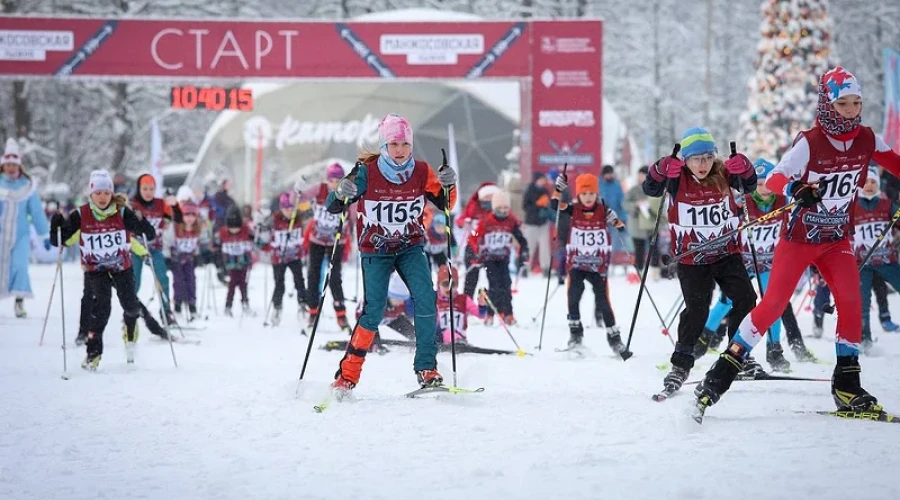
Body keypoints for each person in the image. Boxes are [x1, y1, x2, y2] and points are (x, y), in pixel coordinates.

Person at [694, 67, 900, 416]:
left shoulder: (867, 139)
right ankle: (720, 375)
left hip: (836, 239)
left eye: (856, 103)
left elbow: (895, 163)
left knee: (851, 302)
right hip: (800, 238)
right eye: (843, 104)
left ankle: (847, 386)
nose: (850, 111)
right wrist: (797, 188)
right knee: (773, 304)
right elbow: (774, 180)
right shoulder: (810, 142)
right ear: (827, 104)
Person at [326, 113, 457, 398]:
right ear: (384, 146)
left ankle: (427, 368)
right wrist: (340, 192)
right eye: (394, 144)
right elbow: (333, 206)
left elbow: (446, 203)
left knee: (426, 298)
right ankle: (347, 376)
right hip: (376, 250)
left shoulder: (421, 171)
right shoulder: (366, 172)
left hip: (410, 246)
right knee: (374, 310)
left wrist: (450, 184)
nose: (400, 150)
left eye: (405, 144)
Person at [642, 127, 759, 396]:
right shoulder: (677, 178)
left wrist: (747, 169)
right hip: (692, 258)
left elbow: (750, 185)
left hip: (726, 252)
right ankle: (681, 365)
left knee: (746, 298)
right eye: (696, 159)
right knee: (697, 310)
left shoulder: (724, 173)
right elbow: (651, 188)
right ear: (685, 159)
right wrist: (659, 169)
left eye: (707, 157)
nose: (702, 164)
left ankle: (737, 354)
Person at [694, 159, 816, 370]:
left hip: (769, 263)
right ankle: (701, 341)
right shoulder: (743, 202)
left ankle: (774, 350)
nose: (764, 188)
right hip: (743, 261)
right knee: (727, 301)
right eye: (759, 184)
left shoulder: (783, 201)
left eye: (767, 183)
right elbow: (723, 222)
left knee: (773, 304)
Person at [50, 170, 156, 370]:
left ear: (111, 193)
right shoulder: (81, 214)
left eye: (106, 193)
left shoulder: (121, 212)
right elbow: (59, 240)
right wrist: (55, 225)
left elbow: (148, 234)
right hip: (96, 269)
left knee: (131, 307)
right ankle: (93, 353)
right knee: (101, 310)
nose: (102, 197)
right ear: (91, 194)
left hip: (121, 267)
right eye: (98, 193)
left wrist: (142, 221)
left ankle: (129, 332)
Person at [552, 172, 626, 353]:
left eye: (591, 193)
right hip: (577, 263)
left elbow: (618, 223)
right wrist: (558, 189)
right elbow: (554, 205)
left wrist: (617, 224)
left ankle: (615, 339)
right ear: (578, 195)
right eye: (584, 194)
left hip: (597, 265)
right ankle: (575, 334)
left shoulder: (603, 209)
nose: (588, 197)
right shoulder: (573, 208)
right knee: (573, 296)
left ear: (596, 194)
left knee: (603, 301)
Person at [295, 163, 351, 332]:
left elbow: (357, 213)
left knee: (334, 278)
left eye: (338, 180)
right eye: (331, 180)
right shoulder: (319, 189)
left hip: (337, 241)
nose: (334, 184)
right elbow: (300, 199)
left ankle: (341, 315)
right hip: (317, 239)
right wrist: (298, 190)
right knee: (313, 275)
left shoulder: (347, 192)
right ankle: (312, 311)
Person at [852, 166, 900, 354]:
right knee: (862, 302)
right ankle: (865, 340)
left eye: (873, 182)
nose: (869, 185)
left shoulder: (887, 204)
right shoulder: (852, 206)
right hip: (862, 263)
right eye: (865, 182)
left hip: (887, 260)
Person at [0, 138, 50, 317]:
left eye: (14, 165)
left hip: (20, 236)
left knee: (20, 266)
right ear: (3, 166)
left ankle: (19, 302)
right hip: (0, 234)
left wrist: (45, 235)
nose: (11, 168)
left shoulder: (28, 186)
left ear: (19, 166)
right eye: (8, 165)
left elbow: (36, 212)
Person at [470, 191, 528, 326]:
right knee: (494, 285)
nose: (503, 211)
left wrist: (524, 252)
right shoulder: (486, 220)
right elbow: (475, 237)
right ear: (494, 208)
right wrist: (475, 252)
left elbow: (520, 238)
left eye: (506, 208)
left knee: (506, 284)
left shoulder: (511, 221)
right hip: (489, 258)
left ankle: (508, 313)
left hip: (503, 258)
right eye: (500, 208)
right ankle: (490, 314)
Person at [130, 174, 180, 323]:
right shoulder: (133, 205)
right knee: (134, 281)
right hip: (136, 249)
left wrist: (175, 205)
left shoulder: (160, 204)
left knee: (162, 278)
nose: (148, 192)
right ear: (139, 189)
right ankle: (130, 312)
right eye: (145, 189)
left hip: (154, 248)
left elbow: (178, 219)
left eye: (151, 189)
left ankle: (166, 311)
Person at [258, 192, 308, 326]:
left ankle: (303, 305)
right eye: (286, 209)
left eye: (292, 208)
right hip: (278, 258)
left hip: (294, 256)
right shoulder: (274, 219)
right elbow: (264, 236)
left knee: (299, 281)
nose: (290, 212)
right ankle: (277, 307)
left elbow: (306, 229)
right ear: (281, 208)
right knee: (279, 283)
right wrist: (267, 244)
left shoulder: (298, 218)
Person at [458, 183, 501, 297]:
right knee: (471, 277)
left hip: (492, 249)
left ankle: (493, 302)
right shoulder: (474, 206)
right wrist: (465, 223)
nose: (489, 200)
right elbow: (461, 219)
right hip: (473, 246)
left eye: (491, 197)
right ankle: (467, 302)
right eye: (486, 197)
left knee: (494, 278)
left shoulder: (499, 208)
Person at [215, 206, 255, 317]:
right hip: (231, 263)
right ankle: (228, 305)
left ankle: (245, 302)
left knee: (243, 283)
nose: (234, 230)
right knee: (232, 284)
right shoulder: (223, 232)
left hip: (243, 262)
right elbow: (216, 244)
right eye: (231, 228)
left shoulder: (246, 230)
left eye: (236, 228)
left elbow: (255, 240)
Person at [170, 200, 203, 322]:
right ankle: (178, 305)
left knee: (191, 281)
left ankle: (192, 305)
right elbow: (169, 241)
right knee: (178, 282)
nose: (189, 218)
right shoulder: (177, 227)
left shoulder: (197, 228)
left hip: (189, 259)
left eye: (192, 215)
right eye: (186, 215)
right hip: (177, 259)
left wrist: (200, 255)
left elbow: (198, 244)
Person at [521, 172, 552, 275]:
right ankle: (525, 267)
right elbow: (525, 206)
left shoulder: (545, 191)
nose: (543, 181)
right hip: (531, 223)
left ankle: (546, 268)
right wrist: (537, 205)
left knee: (545, 247)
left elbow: (549, 205)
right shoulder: (529, 190)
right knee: (529, 246)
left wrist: (546, 208)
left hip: (543, 223)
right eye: (541, 179)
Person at [624, 166, 654, 273]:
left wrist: (650, 205)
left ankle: (656, 270)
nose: (640, 177)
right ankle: (639, 271)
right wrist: (636, 205)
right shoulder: (633, 190)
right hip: (637, 225)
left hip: (652, 223)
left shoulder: (654, 189)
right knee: (639, 250)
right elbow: (625, 204)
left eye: (643, 175)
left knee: (654, 249)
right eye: (639, 175)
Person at [599, 164, 629, 257]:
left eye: (611, 174)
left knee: (616, 240)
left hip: (615, 216)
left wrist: (623, 217)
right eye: (607, 174)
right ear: (603, 174)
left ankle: (613, 259)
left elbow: (622, 202)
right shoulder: (599, 185)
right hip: (601, 218)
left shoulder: (617, 185)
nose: (609, 176)